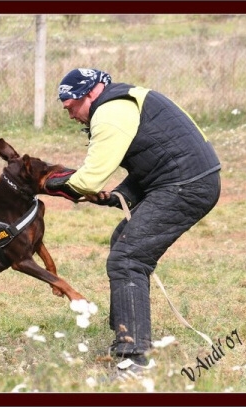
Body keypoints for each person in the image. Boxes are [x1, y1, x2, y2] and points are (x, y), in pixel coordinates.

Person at [44, 68, 221, 370]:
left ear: (90, 93)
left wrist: (49, 183)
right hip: (186, 178)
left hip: (187, 185)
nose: (70, 114)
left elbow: (87, 181)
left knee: (128, 258)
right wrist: (119, 195)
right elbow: (155, 155)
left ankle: (134, 359)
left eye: (71, 106)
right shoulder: (124, 100)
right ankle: (124, 332)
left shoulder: (110, 112)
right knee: (123, 243)